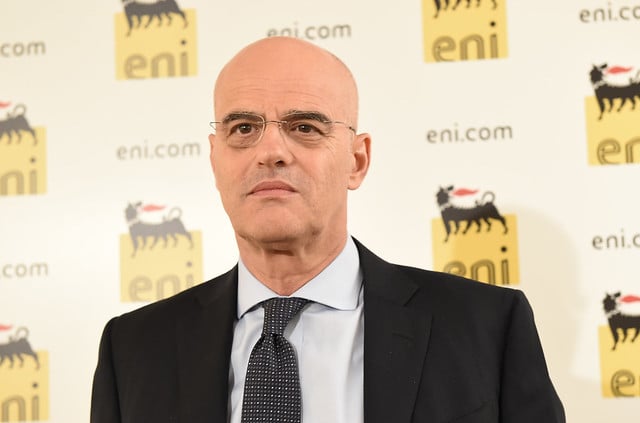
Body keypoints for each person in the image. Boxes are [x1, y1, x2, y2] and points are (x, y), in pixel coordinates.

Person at [91, 36, 565, 423]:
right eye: (243, 128)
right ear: (216, 161)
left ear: (357, 161)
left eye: (304, 127)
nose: (270, 152)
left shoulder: (487, 327)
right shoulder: (131, 350)